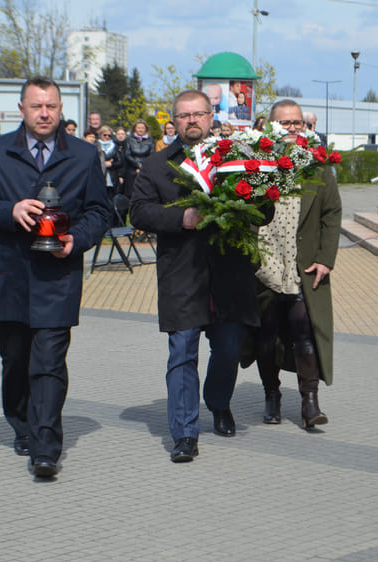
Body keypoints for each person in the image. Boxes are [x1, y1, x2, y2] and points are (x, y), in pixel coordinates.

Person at [0, 77, 110, 479]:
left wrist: (75, 240)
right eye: (36, 107)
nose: (44, 114)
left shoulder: (83, 155)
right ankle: (22, 423)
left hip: (57, 277)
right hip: (11, 275)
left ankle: (46, 447)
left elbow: (100, 213)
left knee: (48, 363)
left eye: (51, 107)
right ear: (22, 109)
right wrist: (9, 211)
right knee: (15, 359)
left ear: (62, 110)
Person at [130, 89, 271, 463]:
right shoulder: (157, 165)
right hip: (183, 275)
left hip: (230, 273)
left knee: (227, 350)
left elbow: (266, 210)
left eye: (198, 114)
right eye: (184, 115)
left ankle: (218, 402)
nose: (191, 120)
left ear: (211, 117)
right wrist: (182, 218)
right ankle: (185, 433)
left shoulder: (237, 159)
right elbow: (139, 212)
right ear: (173, 122)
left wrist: (254, 195)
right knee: (182, 353)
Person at [243, 99, 342, 428]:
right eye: (284, 123)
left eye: (296, 122)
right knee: (266, 335)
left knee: (305, 331)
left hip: (303, 267)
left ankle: (310, 403)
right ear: (271, 126)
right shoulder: (257, 165)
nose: (292, 128)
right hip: (266, 265)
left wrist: (326, 259)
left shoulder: (318, 167)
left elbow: (331, 214)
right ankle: (272, 395)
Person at [123, 119, 154, 197]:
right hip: (132, 169)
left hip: (146, 169)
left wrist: (143, 166)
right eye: (139, 128)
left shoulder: (150, 140)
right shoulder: (129, 140)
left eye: (142, 128)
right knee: (131, 194)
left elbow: (152, 154)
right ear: (135, 129)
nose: (140, 130)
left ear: (146, 129)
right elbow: (127, 154)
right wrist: (137, 165)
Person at [97, 125, 123, 200]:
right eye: (105, 135)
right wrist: (103, 163)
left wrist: (111, 164)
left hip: (111, 176)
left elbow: (120, 162)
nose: (107, 137)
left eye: (109, 135)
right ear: (100, 134)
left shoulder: (114, 146)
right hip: (99, 175)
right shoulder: (96, 145)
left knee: (110, 198)